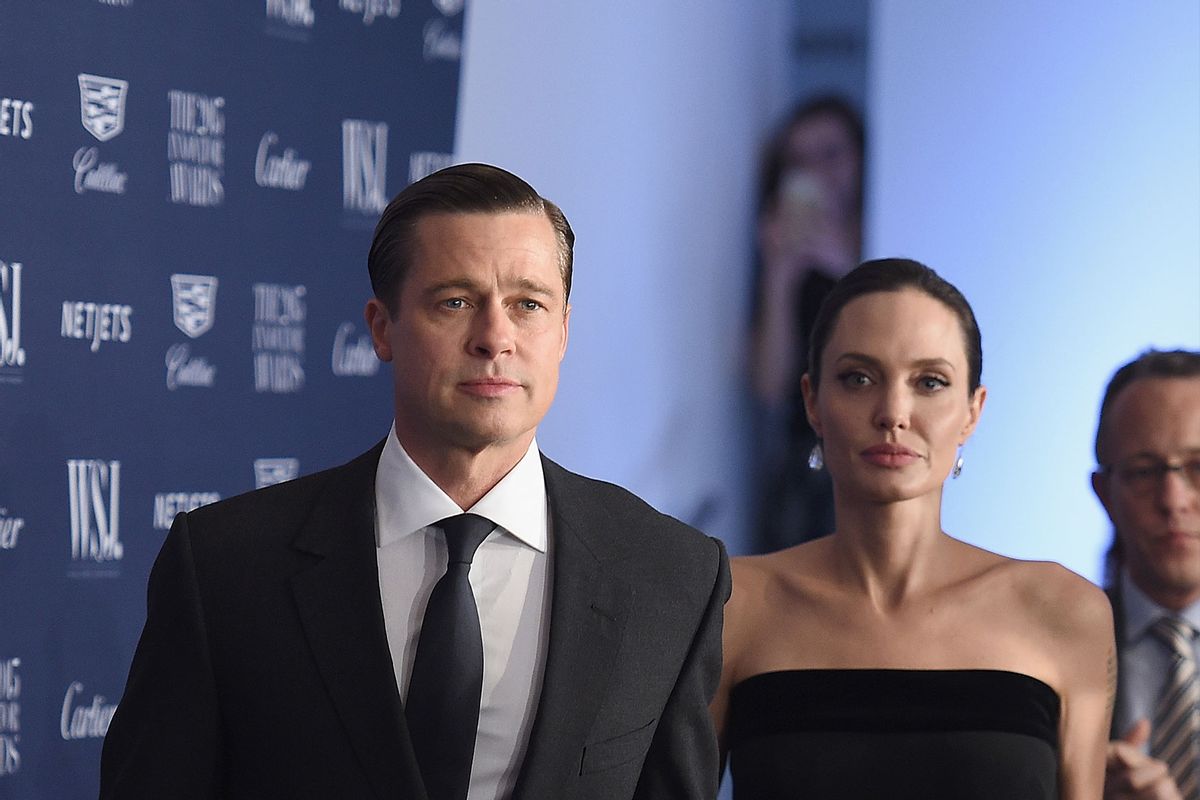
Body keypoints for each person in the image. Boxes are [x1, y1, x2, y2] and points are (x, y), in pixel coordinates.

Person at [99, 163, 731, 800]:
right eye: (455, 302)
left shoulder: (670, 575)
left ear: (563, 329)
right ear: (381, 328)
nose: (494, 338)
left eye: (528, 305)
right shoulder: (225, 566)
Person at [714, 258, 1114, 798]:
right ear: (812, 400)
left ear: (973, 411)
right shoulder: (734, 604)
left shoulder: (1065, 611)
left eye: (930, 382)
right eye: (858, 378)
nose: (894, 412)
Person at [750, 95, 865, 553]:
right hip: (806, 472)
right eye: (798, 161)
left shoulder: (897, 230)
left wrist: (847, 268)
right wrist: (780, 271)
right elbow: (768, 386)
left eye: (831, 154)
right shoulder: (788, 256)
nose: (815, 171)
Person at [1091, 349, 1200, 800]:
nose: (1173, 500)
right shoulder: (1048, 656)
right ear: (1105, 494)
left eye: (1199, 468)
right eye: (1143, 472)